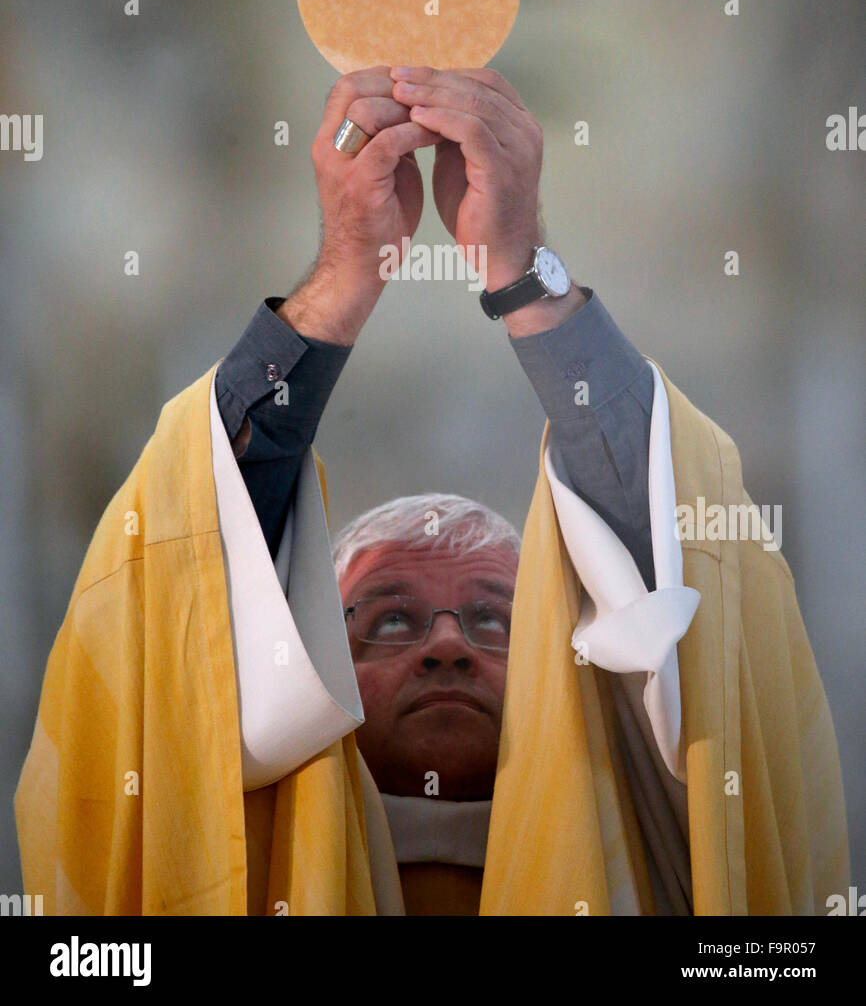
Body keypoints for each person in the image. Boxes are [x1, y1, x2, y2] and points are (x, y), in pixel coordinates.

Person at [15, 66, 849, 916]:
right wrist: (342, 273)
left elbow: (684, 570)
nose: (446, 649)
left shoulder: (655, 833)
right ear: (299, 659)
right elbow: (178, 573)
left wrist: (522, 269)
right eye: (389, 620)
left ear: (564, 667)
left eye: (493, 620)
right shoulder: (228, 845)